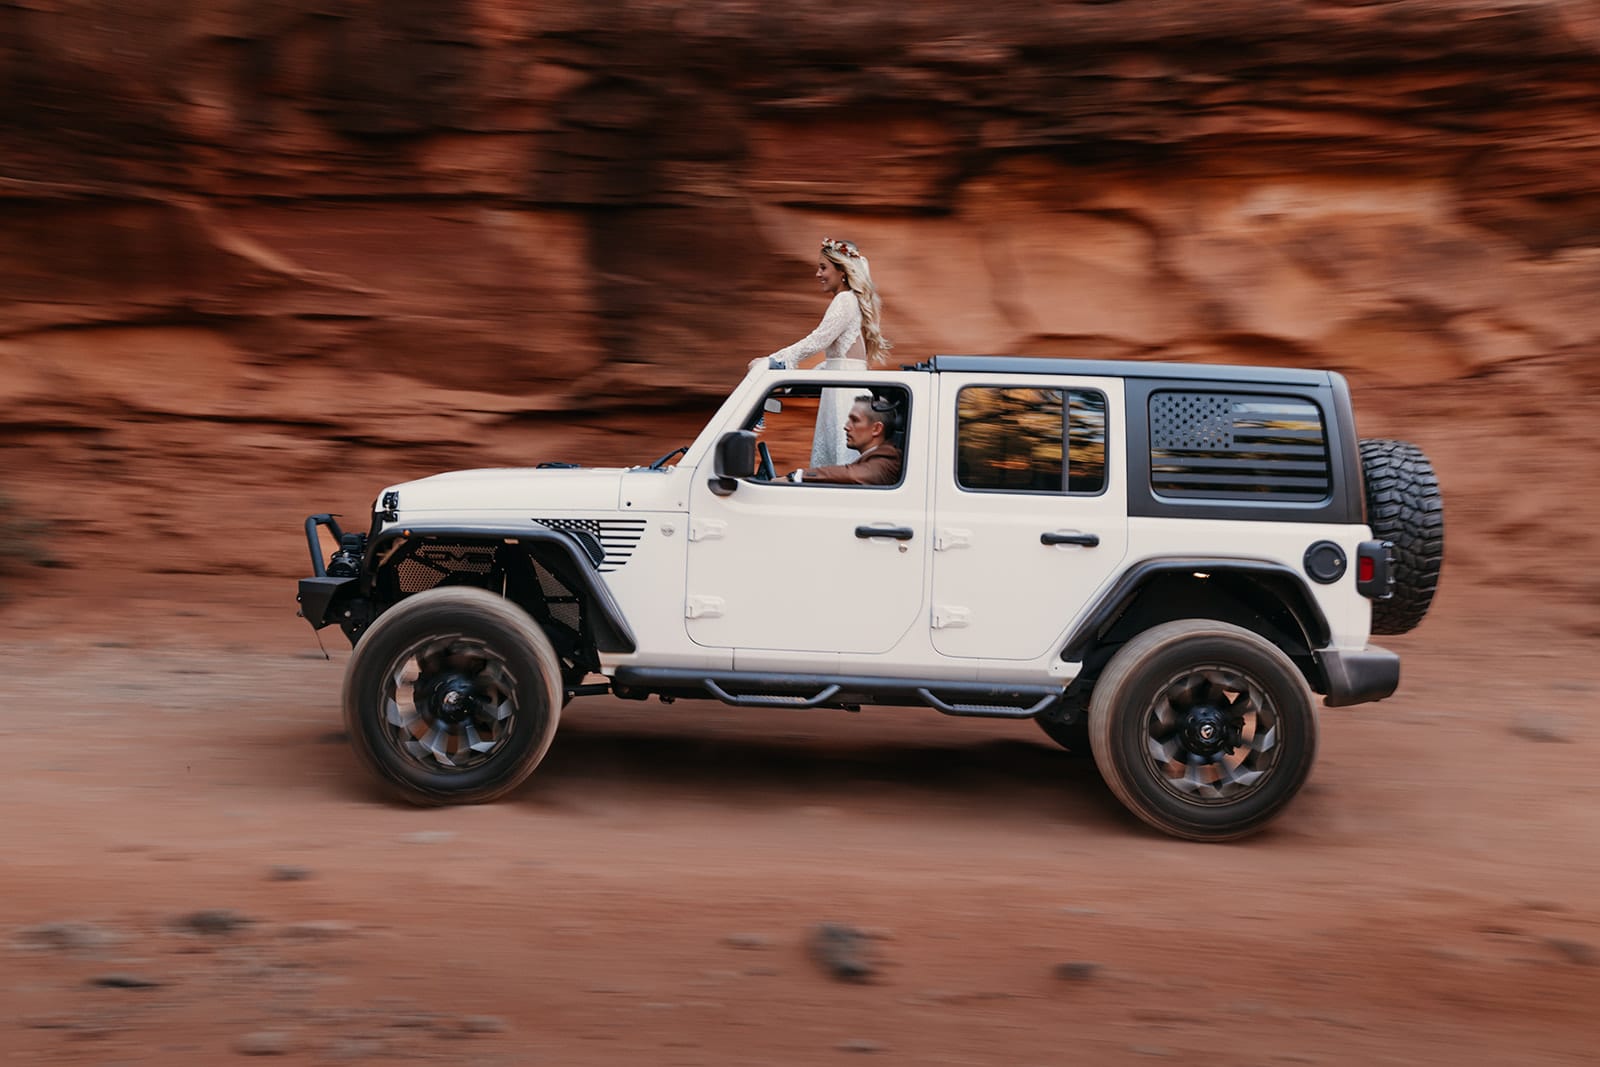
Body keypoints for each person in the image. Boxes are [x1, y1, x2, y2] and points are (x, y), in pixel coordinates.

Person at [752, 237, 893, 468]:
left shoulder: (845, 299)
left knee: (840, 465)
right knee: (837, 465)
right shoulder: (852, 301)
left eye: (823, 267)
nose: (818, 274)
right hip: (841, 389)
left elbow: (817, 340)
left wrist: (773, 360)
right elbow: (840, 359)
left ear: (842, 271)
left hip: (843, 396)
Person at [787, 395, 902, 486]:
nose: (846, 426)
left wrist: (799, 476)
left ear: (876, 429)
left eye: (855, 420)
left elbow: (853, 475)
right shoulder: (876, 457)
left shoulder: (889, 459)